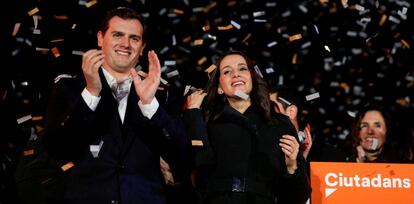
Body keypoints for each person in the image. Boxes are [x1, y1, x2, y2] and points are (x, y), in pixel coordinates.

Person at [42, 7, 190, 204]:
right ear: (100, 39)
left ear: (142, 47)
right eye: (118, 35)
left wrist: (149, 105)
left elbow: (182, 156)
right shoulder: (69, 86)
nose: (125, 44)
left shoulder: (160, 95)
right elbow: (56, 149)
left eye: (134, 38)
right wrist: (92, 93)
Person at [183, 50, 310, 204]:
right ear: (219, 88)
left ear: (252, 78)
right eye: (227, 71)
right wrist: (193, 115)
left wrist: (292, 166)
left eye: (242, 68)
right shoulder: (206, 122)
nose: (236, 74)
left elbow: (298, 198)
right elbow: (198, 166)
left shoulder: (279, 124)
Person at [268, 85, 312, 160]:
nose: (266, 113)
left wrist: (302, 158)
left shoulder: (324, 154)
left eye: (272, 107)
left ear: (291, 112)